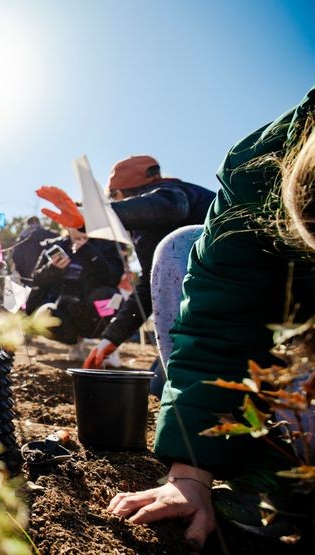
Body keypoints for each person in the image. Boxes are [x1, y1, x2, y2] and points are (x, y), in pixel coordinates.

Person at [106, 88, 315, 550]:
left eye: (119, 195)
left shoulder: (171, 195)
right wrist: (190, 468)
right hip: (273, 333)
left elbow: (166, 206)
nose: (120, 203)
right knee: (181, 251)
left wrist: (97, 214)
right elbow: (215, 310)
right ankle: (255, 457)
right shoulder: (265, 164)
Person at [37, 155, 215, 368]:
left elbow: (169, 206)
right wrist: (110, 340)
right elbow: (151, 287)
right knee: (159, 384)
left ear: (121, 194)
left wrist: (90, 218)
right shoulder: (157, 225)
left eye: (114, 200)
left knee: (179, 383)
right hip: (212, 305)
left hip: (225, 307)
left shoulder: (173, 193)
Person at [24, 227, 123, 349]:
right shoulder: (54, 245)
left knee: (109, 297)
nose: (82, 228)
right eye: (77, 224)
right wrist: (52, 268)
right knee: (47, 312)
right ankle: (73, 341)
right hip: (59, 307)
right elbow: (36, 280)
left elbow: (113, 278)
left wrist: (91, 254)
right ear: (67, 225)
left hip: (90, 310)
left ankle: (104, 342)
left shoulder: (106, 245)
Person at [11, 216, 58, 281]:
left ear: (28, 224)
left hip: (26, 275)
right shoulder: (51, 234)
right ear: (39, 222)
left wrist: (18, 270)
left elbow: (16, 257)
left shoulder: (22, 238)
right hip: (47, 274)